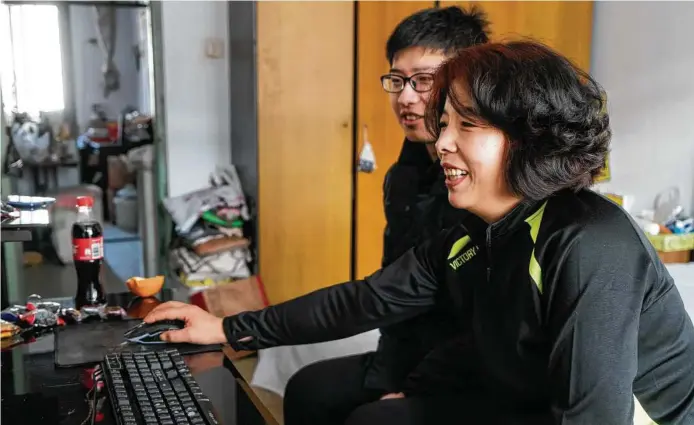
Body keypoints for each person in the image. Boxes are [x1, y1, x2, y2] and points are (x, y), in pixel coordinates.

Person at [145, 40, 694, 424]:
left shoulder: (590, 242)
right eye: (445, 124)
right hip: (527, 395)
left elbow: (592, 414)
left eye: (467, 125)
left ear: (530, 139)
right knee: (326, 396)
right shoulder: (473, 232)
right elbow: (365, 300)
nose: (443, 143)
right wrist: (228, 328)